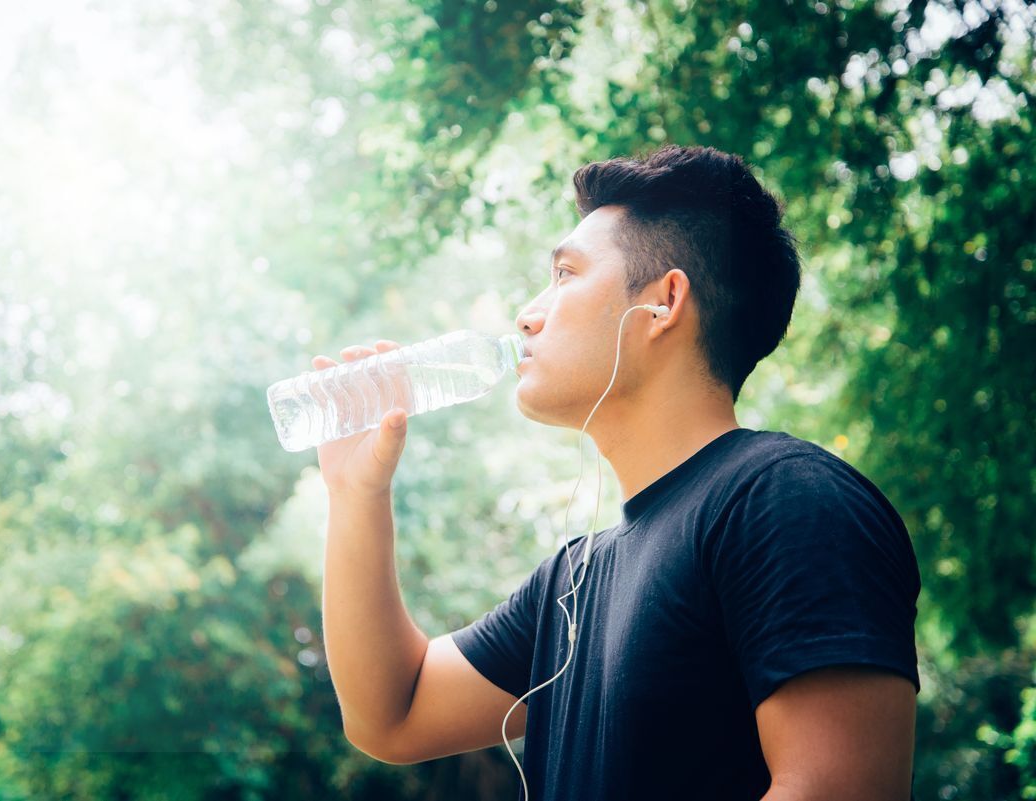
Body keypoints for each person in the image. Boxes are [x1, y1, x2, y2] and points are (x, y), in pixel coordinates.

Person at [312, 145, 920, 800]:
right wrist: (355, 493)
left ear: (662, 304)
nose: (527, 313)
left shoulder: (785, 500)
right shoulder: (570, 582)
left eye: (566, 274)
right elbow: (391, 714)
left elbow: (836, 787)